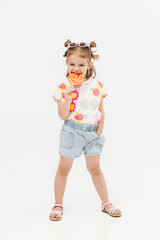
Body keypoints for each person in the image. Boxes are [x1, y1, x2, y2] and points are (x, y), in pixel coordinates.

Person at [49, 39, 122, 221]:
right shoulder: (63, 87)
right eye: (72, 64)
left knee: (95, 168)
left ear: (89, 64)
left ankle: (106, 203)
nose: (76, 68)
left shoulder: (97, 85)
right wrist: (66, 97)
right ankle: (58, 204)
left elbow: (101, 109)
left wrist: (100, 130)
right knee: (64, 169)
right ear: (66, 63)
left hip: (93, 133)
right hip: (71, 131)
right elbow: (63, 116)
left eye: (81, 64)